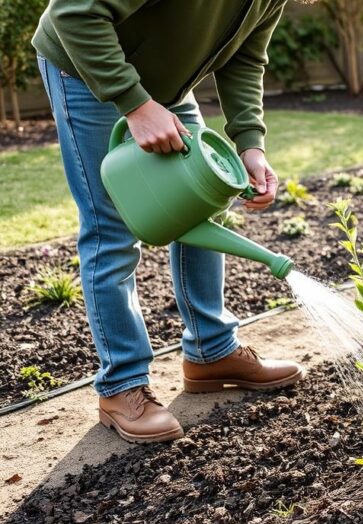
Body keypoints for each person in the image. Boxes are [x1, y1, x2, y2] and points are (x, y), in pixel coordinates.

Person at [33, 0, 305, 444]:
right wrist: (136, 105)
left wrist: (251, 144)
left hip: (170, 87)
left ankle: (211, 351)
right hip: (84, 68)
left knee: (205, 202)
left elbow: (245, 57)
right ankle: (121, 386)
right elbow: (74, 13)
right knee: (111, 227)